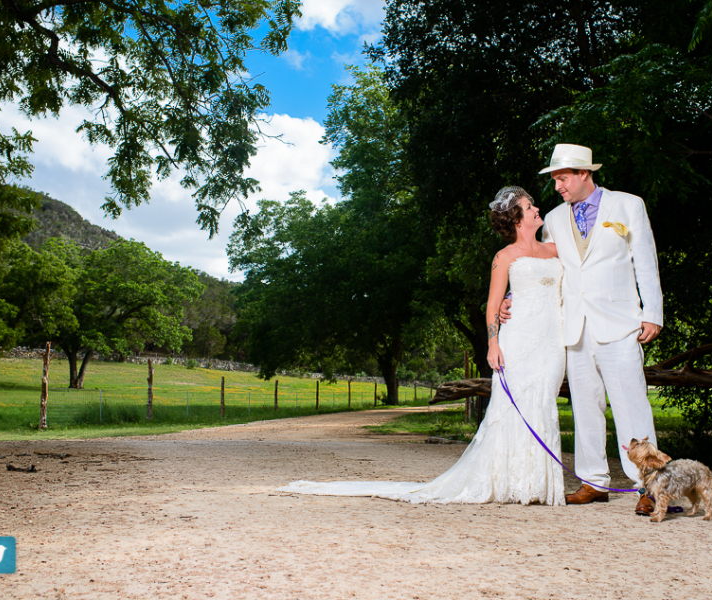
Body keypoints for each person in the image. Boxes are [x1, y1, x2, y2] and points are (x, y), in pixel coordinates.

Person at [279, 186, 566, 505]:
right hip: (519, 340)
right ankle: (514, 484)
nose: (537, 209)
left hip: (551, 341)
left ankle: (538, 484)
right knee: (512, 408)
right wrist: (493, 343)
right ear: (516, 219)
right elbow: (492, 304)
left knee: (543, 403)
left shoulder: (555, 250)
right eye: (529, 207)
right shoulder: (505, 257)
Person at [500, 144, 663, 515]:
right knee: (586, 408)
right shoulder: (555, 219)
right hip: (573, 327)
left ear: (584, 174)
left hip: (620, 323)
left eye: (562, 178)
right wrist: (514, 295)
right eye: (555, 179)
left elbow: (646, 261)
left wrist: (652, 312)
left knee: (632, 406)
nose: (557, 186)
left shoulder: (628, 205)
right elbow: (542, 264)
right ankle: (593, 482)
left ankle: (650, 486)